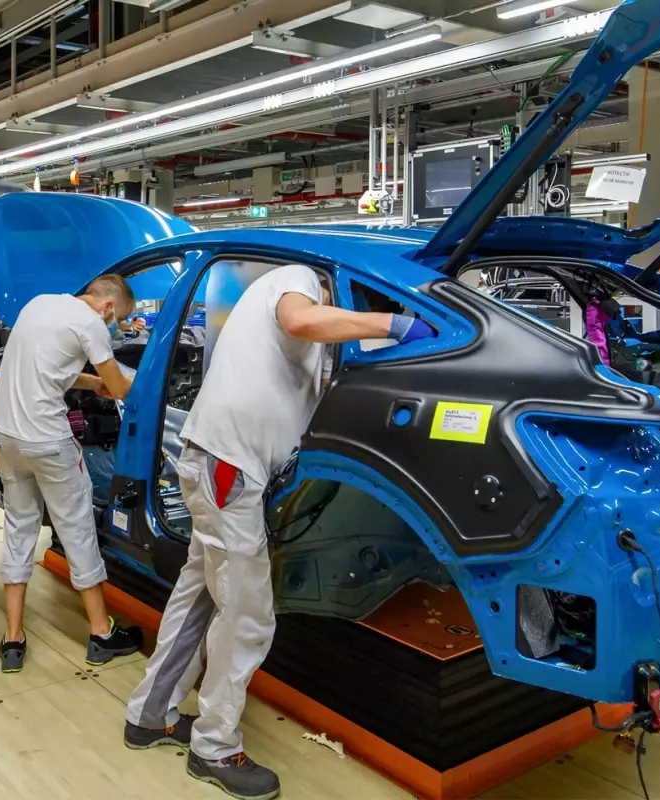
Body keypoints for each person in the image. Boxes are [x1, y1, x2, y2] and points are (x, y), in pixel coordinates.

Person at [124, 265, 434, 800]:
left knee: (198, 597)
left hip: (221, 464)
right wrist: (393, 326)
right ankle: (213, 747)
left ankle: (149, 716)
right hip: (229, 466)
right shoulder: (300, 277)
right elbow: (300, 321)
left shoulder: (310, 333)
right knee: (247, 617)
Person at [0, 274, 145, 674]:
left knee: (18, 528)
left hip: (4, 436)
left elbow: (47, 369)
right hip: (48, 441)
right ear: (107, 306)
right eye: (117, 319)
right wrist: (135, 384)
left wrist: (92, 383)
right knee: (77, 529)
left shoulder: (39, 303)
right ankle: (101, 634)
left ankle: (12, 639)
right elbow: (122, 390)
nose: (115, 326)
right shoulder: (92, 323)